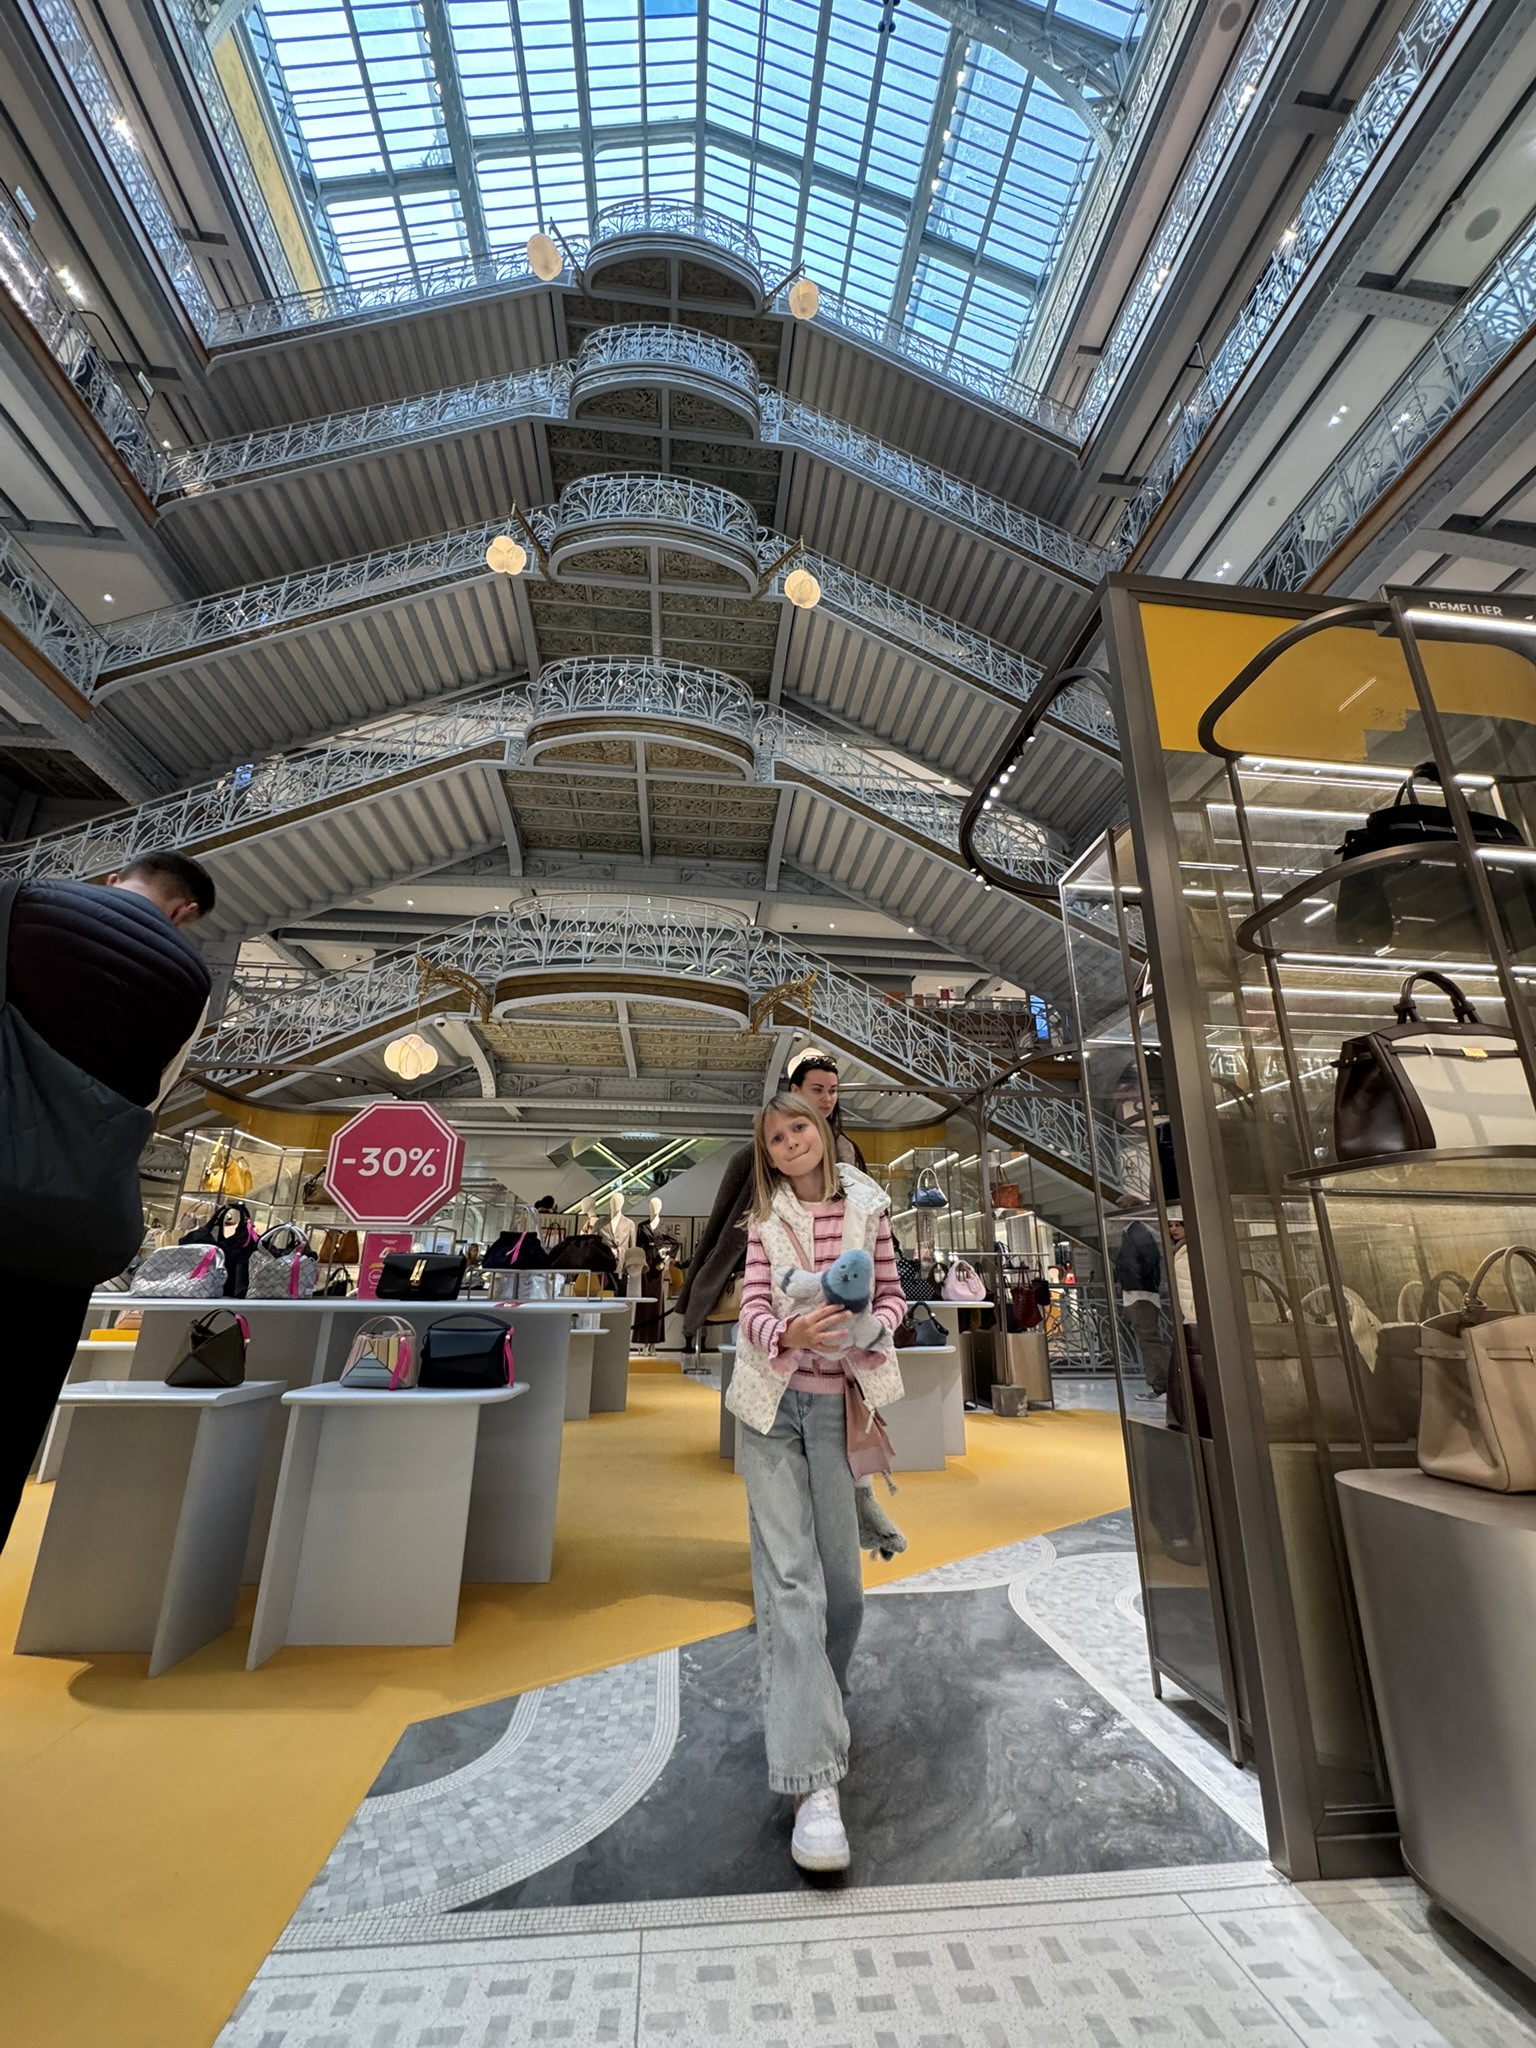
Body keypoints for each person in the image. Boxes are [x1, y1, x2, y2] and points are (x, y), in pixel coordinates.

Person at [1, 852, 216, 1554]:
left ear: (114, 879)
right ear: (184, 912)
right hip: (63, 1234)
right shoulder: (190, 981)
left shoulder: (23, 900)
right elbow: (149, 1103)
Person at [730, 1091, 905, 1873]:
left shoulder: (869, 1209)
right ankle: (813, 1781)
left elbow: (893, 1296)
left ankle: (817, 1708)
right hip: (770, 1411)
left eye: (799, 1126)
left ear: (823, 1131)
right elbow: (750, 1308)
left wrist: (872, 1327)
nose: (790, 1141)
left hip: (841, 1411)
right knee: (792, 1586)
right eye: (775, 1137)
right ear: (766, 1153)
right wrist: (787, 1330)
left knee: (843, 1591)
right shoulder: (763, 1221)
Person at [1114, 1212, 1170, 1395]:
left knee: (1149, 1339)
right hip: (1138, 1291)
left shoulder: (1138, 1232)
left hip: (1140, 1293)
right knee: (1146, 1340)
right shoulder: (1134, 1232)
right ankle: (1159, 1384)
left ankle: (1171, 1378)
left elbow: (1148, 1260)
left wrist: (1136, 1279)